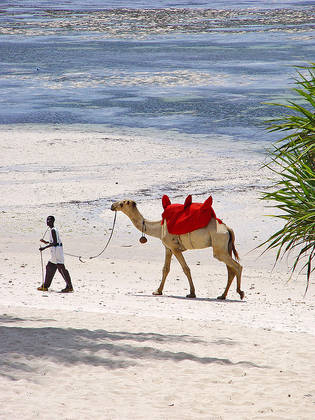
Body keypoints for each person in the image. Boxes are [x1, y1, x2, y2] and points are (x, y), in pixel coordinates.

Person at [37, 215, 74, 293]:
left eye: (50, 220)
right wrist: (45, 242)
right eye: (47, 220)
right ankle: (45, 286)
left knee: (61, 269)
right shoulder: (52, 230)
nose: (48, 221)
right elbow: (53, 241)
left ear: (53, 221)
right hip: (55, 253)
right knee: (50, 267)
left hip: (57, 253)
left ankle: (69, 286)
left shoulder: (53, 230)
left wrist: (44, 248)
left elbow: (55, 243)